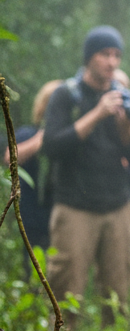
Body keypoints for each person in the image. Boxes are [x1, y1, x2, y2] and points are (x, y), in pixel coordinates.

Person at [41, 26, 130, 326]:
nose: (112, 62)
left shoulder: (125, 97)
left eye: (117, 56)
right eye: (104, 54)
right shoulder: (66, 95)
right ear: (89, 58)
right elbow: (52, 147)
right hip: (74, 206)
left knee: (118, 292)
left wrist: (127, 128)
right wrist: (98, 114)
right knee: (65, 290)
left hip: (117, 206)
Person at [5, 80, 62, 260]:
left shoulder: (69, 139)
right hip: (32, 217)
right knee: (31, 266)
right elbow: (9, 158)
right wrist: (41, 140)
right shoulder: (28, 133)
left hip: (61, 215)